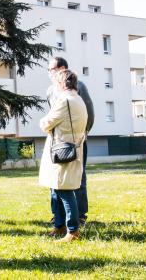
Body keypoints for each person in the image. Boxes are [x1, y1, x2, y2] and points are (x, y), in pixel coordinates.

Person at [39, 69, 88, 242]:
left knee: (64, 191)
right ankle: (60, 225)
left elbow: (45, 123)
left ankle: (72, 231)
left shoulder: (64, 100)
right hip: (72, 148)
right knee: (56, 189)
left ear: (61, 84)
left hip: (62, 151)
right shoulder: (79, 99)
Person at [46, 57, 94, 226]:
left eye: (52, 69)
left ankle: (79, 215)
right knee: (56, 181)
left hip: (77, 140)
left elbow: (89, 112)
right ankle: (58, 216)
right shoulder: (51, 91)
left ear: (63, 68)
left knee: (77, 178)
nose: (50, 73)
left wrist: (83, 133)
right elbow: (53, 117)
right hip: (58, 142)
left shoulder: (78, 89)